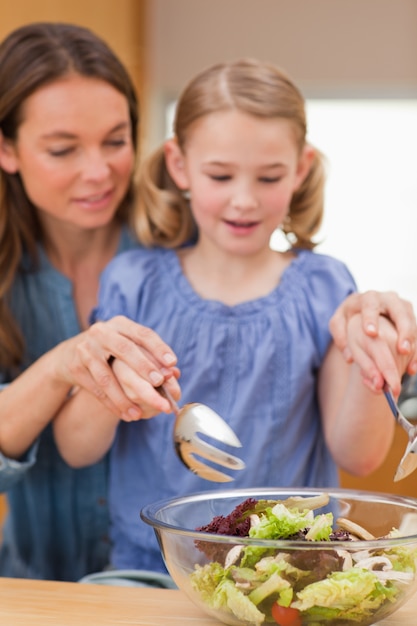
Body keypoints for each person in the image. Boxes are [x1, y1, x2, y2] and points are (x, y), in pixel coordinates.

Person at [53, 58, 417, 576]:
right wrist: (115, 379)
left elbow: (358, 456)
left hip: (296, 570)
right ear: (179, 165)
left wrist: (379, 355)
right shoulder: (132, 282)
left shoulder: (324, 286)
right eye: (220, 175)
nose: (243, 200)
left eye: (268, 177)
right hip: (152, 569)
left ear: (301, 168)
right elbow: (76, 448)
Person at [0, 22, 181, 582]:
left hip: (173, 591)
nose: (99, 172)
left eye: (115, 140)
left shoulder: (184, 240)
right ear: (6, 148)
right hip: (34, 589)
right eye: (63, 149)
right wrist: (61, 363)